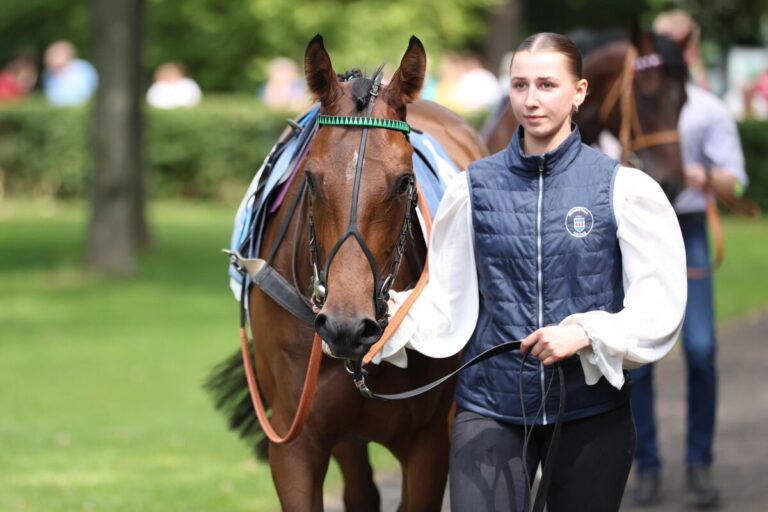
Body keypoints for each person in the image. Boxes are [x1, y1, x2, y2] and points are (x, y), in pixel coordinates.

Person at [377, 32, 686, 511]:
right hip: (489, 409)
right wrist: (378, 314)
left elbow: (658, 306)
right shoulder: (471, 189)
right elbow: (445, 303)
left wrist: (586, 332)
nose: (531, 99)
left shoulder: (623, 188)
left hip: (591, 412)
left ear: (579, 91)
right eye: (520, 85)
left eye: (547, 84)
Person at [629, 10, 750, 508]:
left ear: (691, 46)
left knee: (700, 349)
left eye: (675, 40)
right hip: (637, 232)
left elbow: (738, 183)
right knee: (636, 360)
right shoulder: (628, 97)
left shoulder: (707, 108)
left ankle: (699, 461)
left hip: (690, 229)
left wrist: (705, 176)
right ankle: (647, 466)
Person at [42, 40, 98, 106]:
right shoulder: (47, 73)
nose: (48, 59)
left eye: (53, 55)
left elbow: (92, 90)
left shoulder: (83, 68)